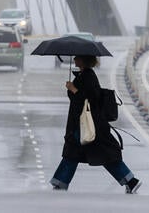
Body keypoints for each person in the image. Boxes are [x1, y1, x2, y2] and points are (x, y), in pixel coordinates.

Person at [50, 55, 142, 194]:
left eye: (77, 58)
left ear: (83, 60)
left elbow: (91, 98)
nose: (74, 59)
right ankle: (60, 182)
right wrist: (71, 89)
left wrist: (74, 89)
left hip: (89, 124)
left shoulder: (89, 76)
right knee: (80, 152)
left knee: (81, 152)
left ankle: (131, 181)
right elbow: (78, 98)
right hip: (84, 123)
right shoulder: (83, 75)